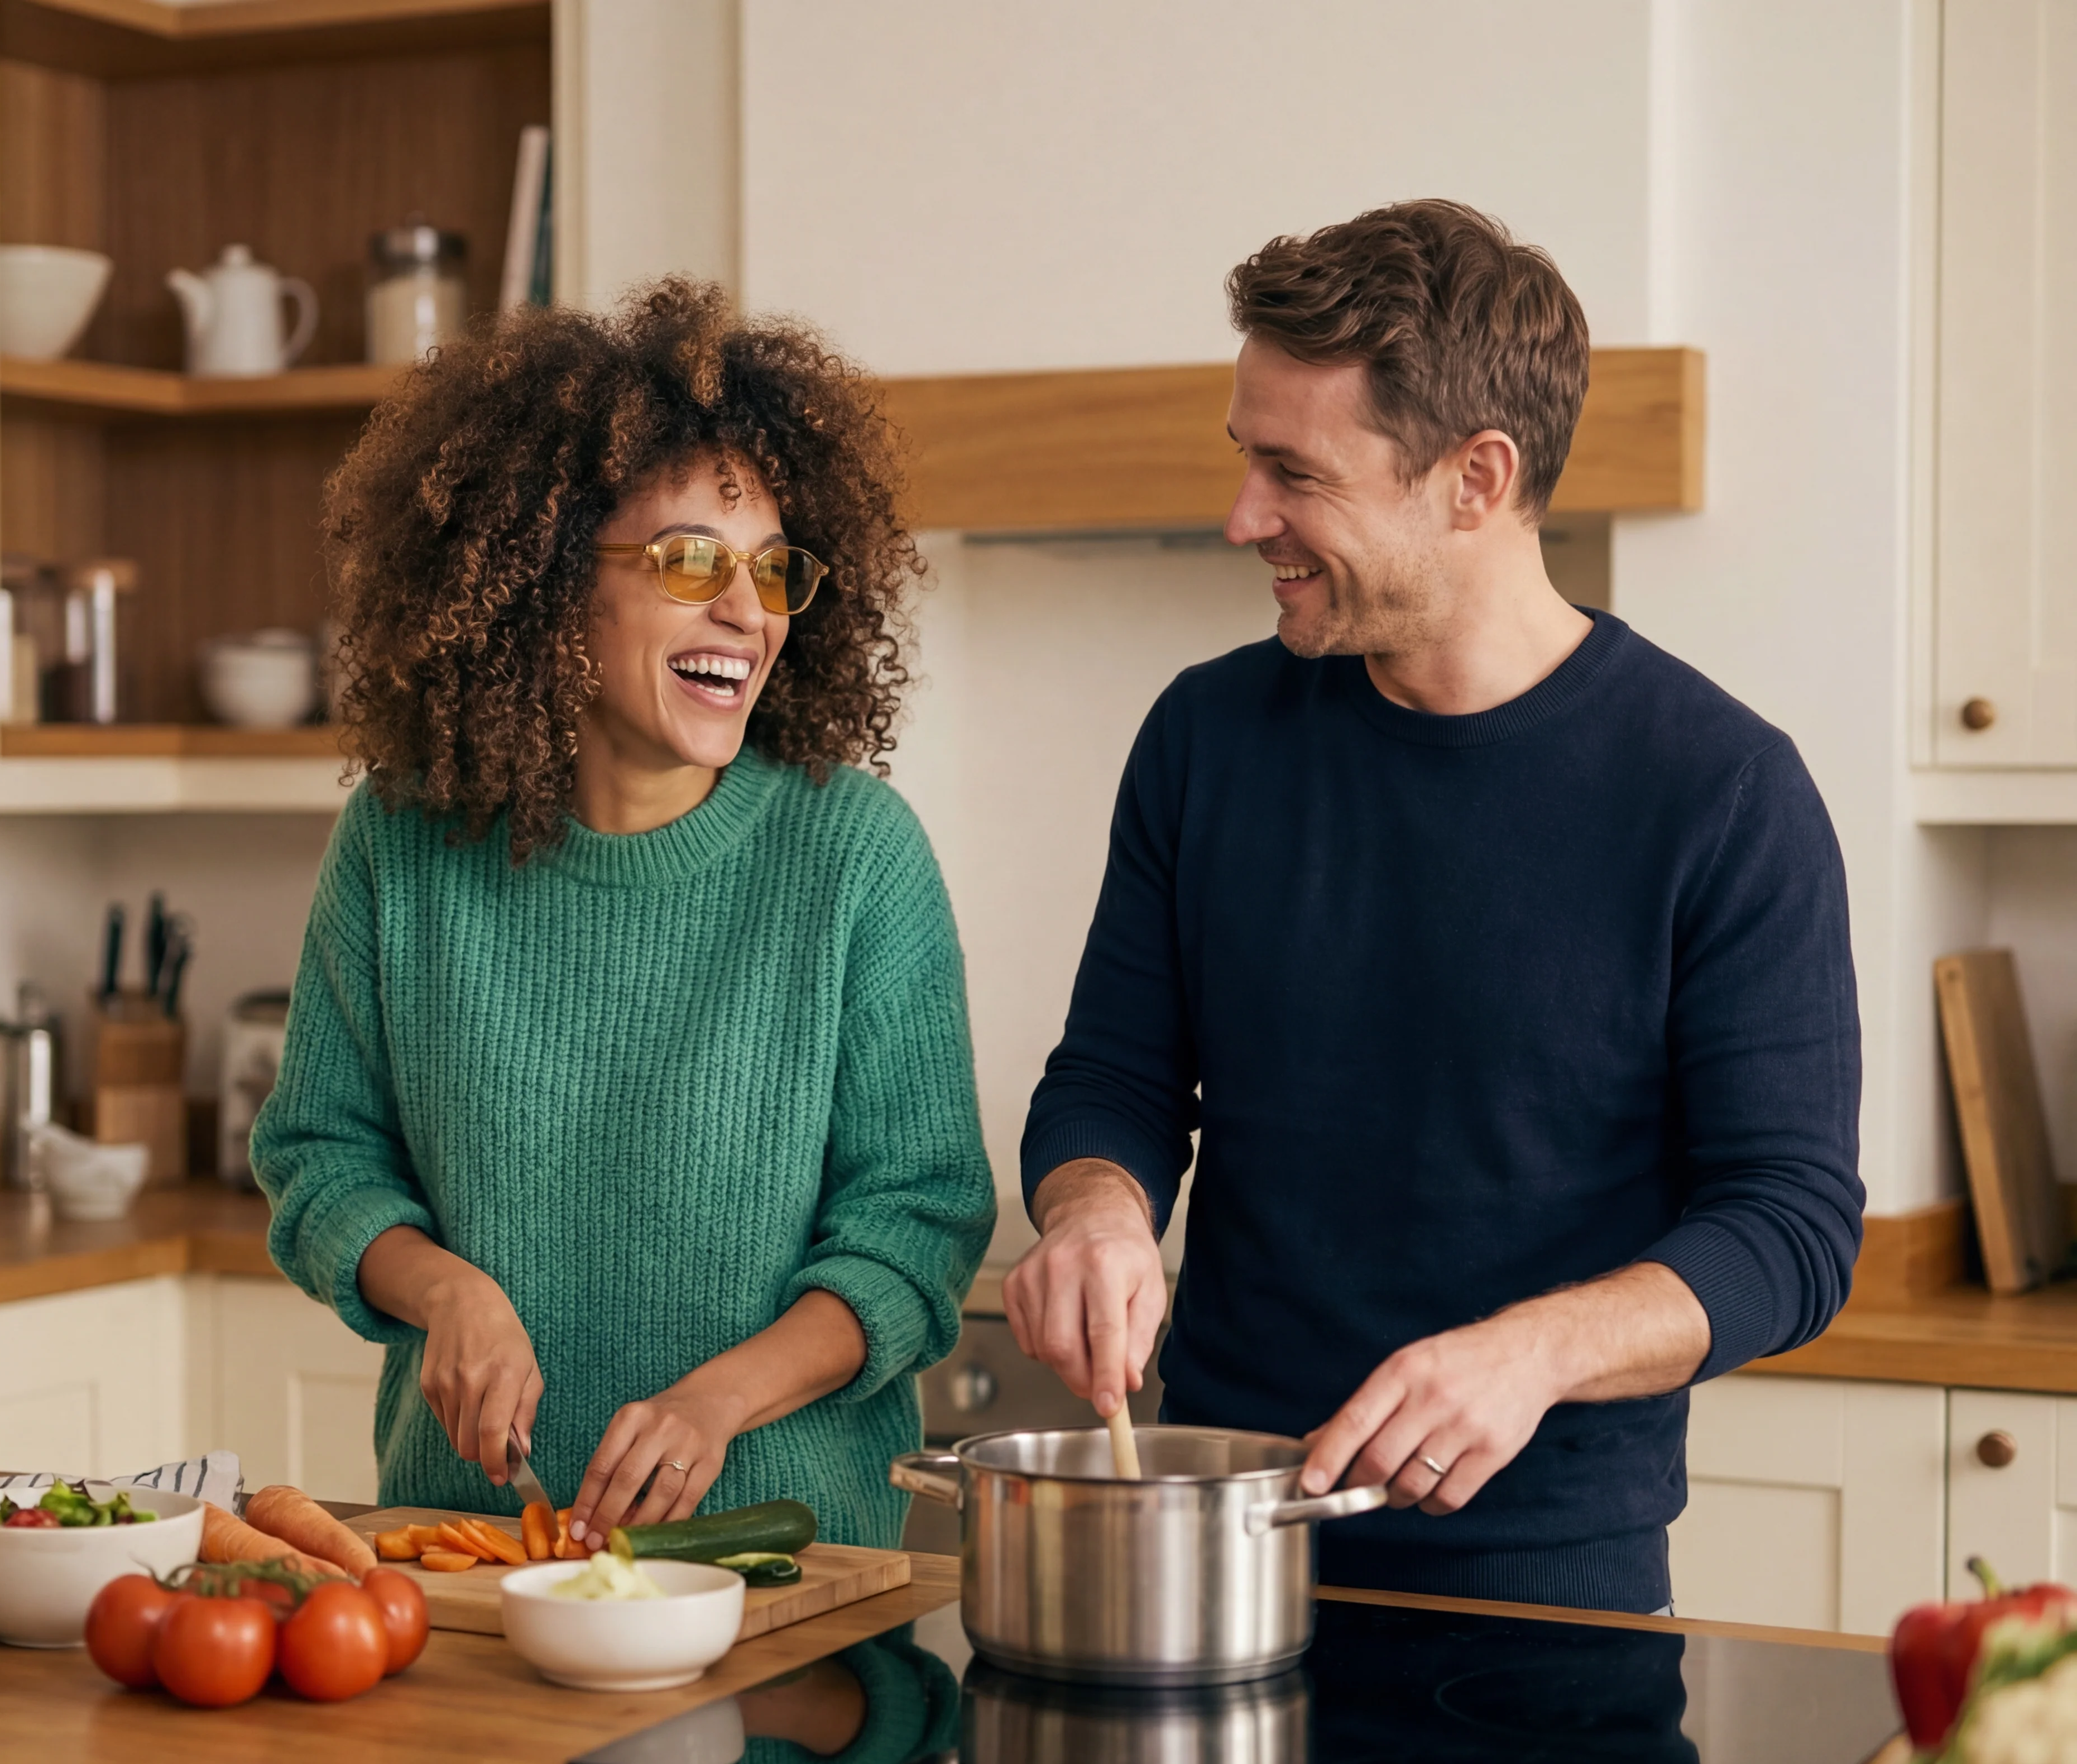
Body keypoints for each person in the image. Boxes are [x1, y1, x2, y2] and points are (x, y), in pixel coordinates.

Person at [1005, 200, 1862, 1613]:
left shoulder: (1721, 791)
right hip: (1222, 1548)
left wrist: (1535, 1352)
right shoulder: (1205, 739)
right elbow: (1115, 1080)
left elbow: (1791, 1224)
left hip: (1547, 1591)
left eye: (1296, 473)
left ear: (1477, 478)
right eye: (1246, 459)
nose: (1243, 518)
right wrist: (1096, 1211)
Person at [253, 279, 995, 1553]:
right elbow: (322, 1157)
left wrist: (719, 1403)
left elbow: (915, 1232)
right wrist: (446, 1292)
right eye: (692, 562)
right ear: (547, 583)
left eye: (773, 570)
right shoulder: (402, 840)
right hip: (474, 1557)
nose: (747, 613)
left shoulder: (853, 858)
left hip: (781, 1568)